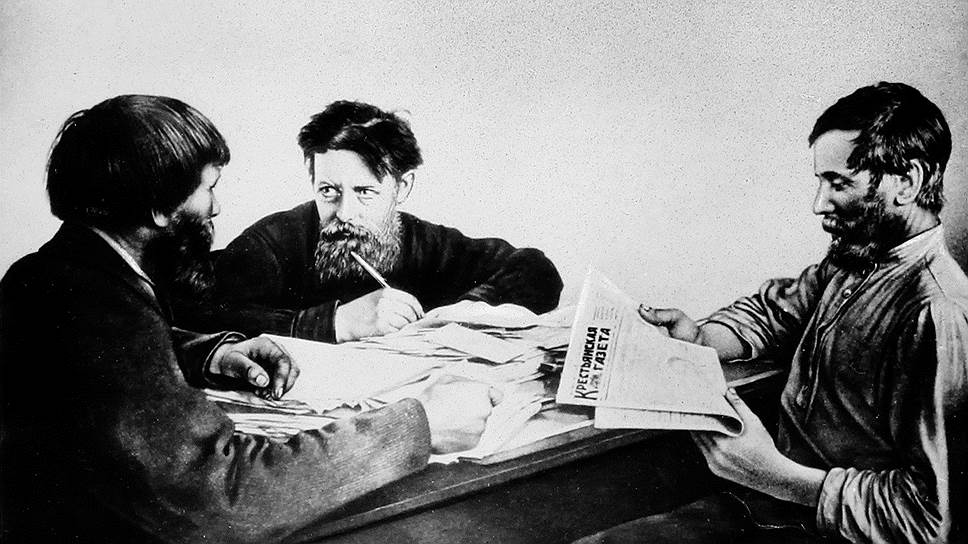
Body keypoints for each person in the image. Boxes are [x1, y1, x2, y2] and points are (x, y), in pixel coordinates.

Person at [0, 95, 498, 543]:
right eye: (209, 189)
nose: (216, 208)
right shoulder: (101, 307)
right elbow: (220, 499)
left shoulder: (46, 274)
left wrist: (211, 354)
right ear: (158, 207)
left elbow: (108, 366)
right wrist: (418, 426)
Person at [577, 82, 967, 543]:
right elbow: (775, 312)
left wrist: (770, 473)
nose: (819, 204)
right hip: (767, 507)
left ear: (908, 182)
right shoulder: (859, 257)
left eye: (839, 183)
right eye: (820, 181)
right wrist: (700, 338)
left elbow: (927, 521)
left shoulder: (938, 312)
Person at [178, 100, 563, 343]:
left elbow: (534, 268)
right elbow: (193, 311)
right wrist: (335, 323)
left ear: (402, 187)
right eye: (328, 191)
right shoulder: (275, 241)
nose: (345, 213)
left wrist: (464, 313)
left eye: (364, 192)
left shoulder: (422, 241)